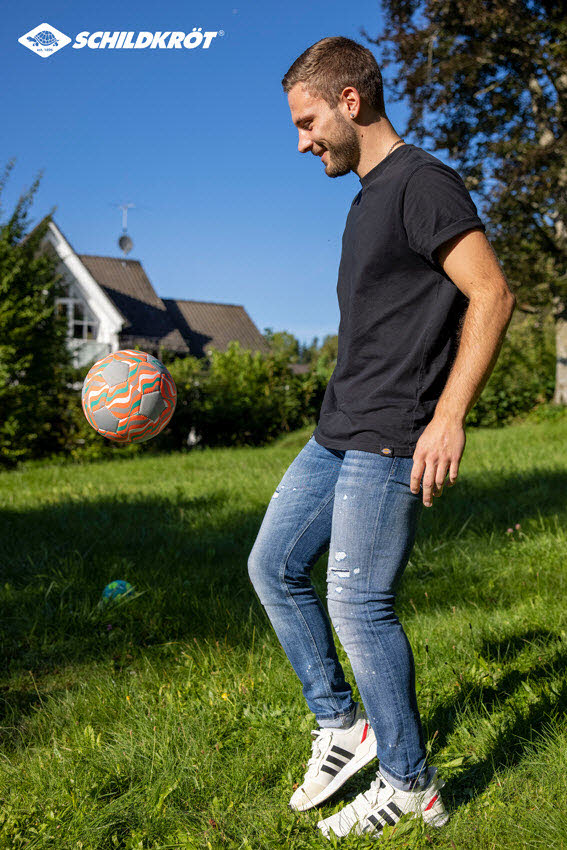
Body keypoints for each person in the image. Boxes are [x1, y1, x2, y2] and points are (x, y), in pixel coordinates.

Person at [247, 36, 516, 841]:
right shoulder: (367, 196)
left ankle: (411, 784)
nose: (303, 143)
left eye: (307, 123)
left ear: (349, 101)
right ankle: (342, 725)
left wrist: (448, 416)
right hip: (338, 427)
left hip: (393, 431)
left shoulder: (421, 183)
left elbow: (491, 293)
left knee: (359, 603)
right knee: (273, 566)